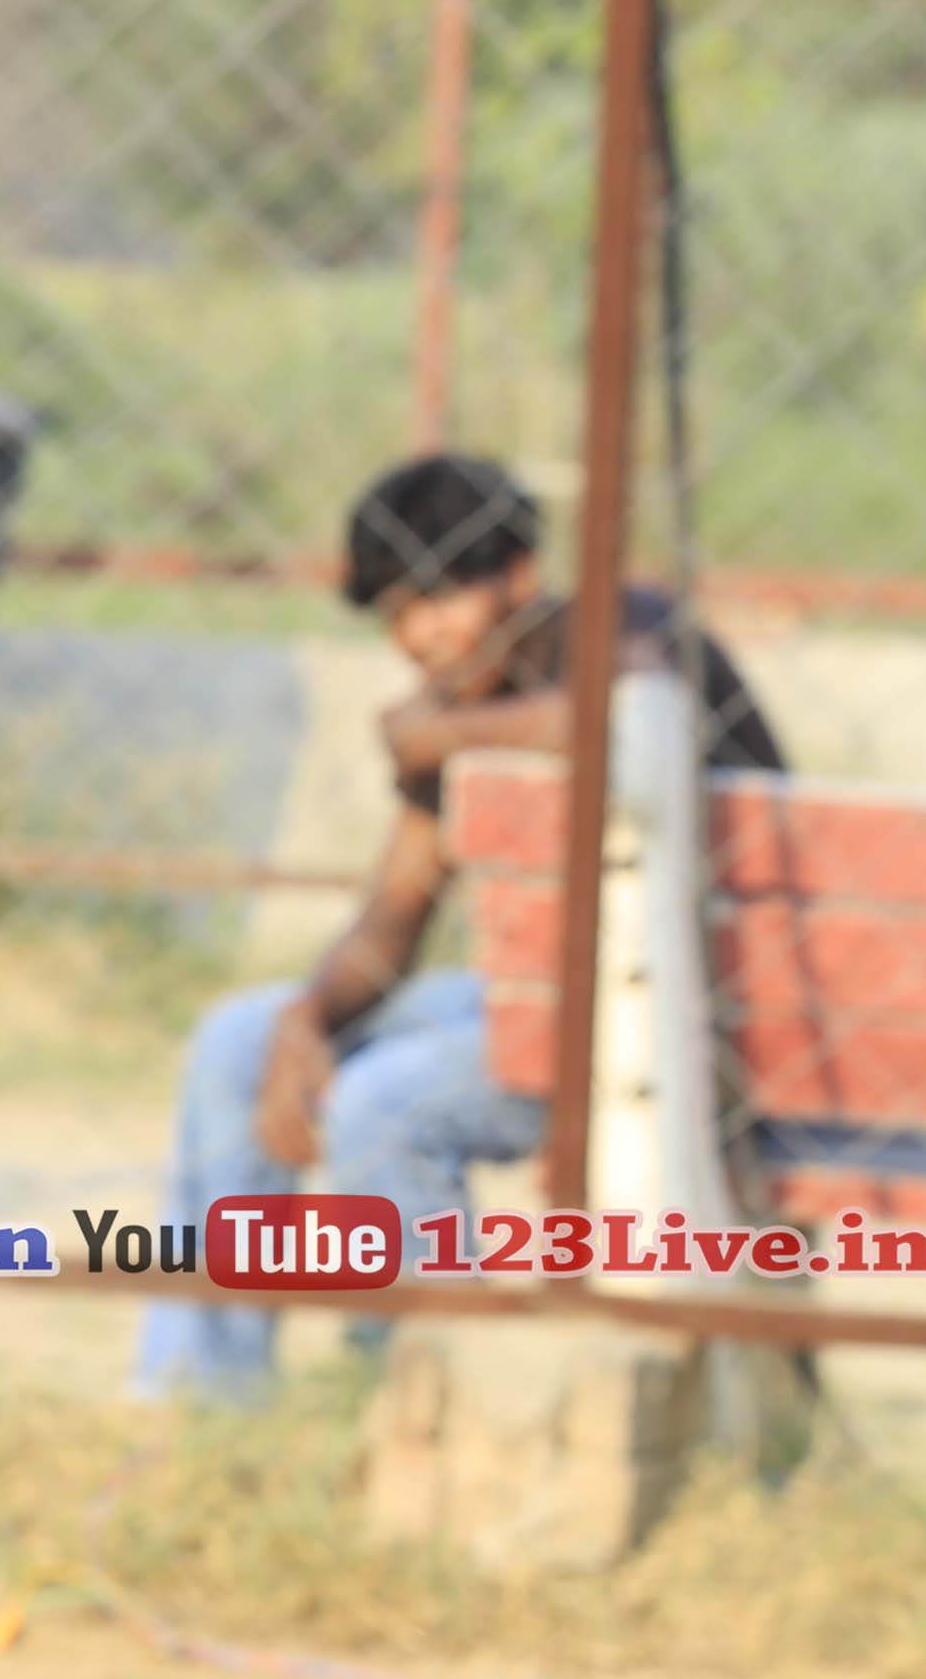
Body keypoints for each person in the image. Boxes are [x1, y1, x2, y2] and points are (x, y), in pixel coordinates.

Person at [137, 451, 782, 1400]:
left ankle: (418, 1396)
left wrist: (441, 737)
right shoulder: (465, 703)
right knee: (241, 1038)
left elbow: (631, 720)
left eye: (438, 601)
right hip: (540, 1008)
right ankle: (202, 1395)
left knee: (385, 1102)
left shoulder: (621, 629)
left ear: (520, 574)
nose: (418, 636)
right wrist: (309, 1017)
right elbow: (392, 918)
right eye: (396, 613)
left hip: (685, 1023)